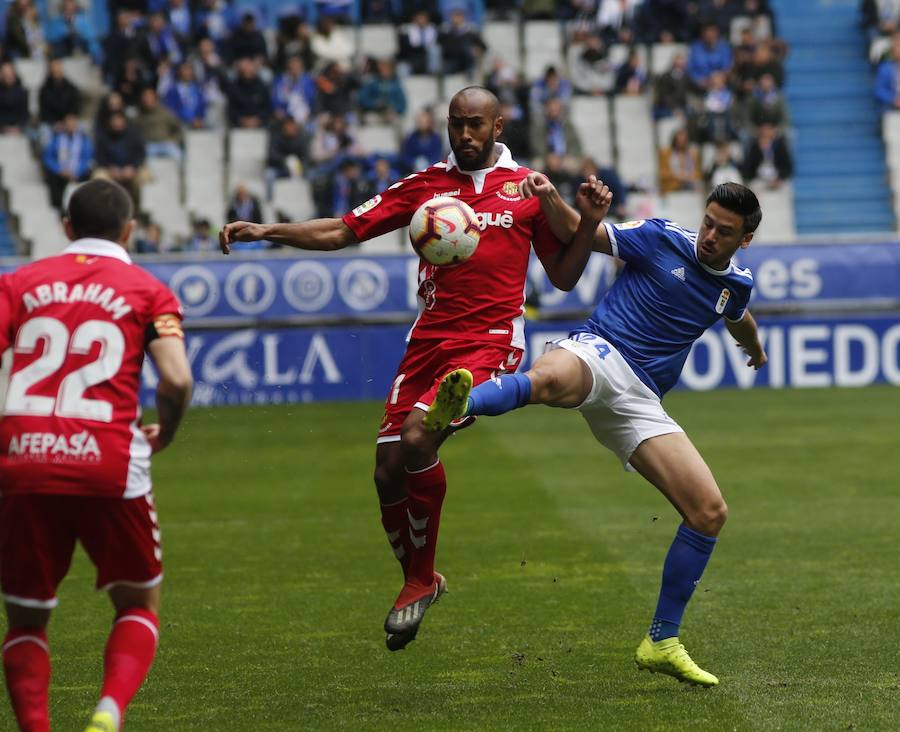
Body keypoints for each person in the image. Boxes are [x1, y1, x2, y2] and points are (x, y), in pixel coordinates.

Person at [220, 86, 601, 650]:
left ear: (498, 127)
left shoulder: (527, 189)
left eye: (476, 124)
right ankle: (421, 580)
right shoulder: (424, 186)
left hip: (490, 342)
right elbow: (344, 230)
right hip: (427, 342)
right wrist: (265, 232)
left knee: (419, 438)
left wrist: (588, 223)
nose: (464, 134)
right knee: (386, 472)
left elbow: (564, 276)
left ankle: (418, 581)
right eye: (456, 123)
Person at [424, 180, 767, 687]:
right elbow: (578, 232)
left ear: (745, 240)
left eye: (724, 231)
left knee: (709, 512)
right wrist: (553, 198)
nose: (710, 236)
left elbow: (737, 315)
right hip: (601, 350)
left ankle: (661, 641)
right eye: (708, 223)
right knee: (548, 380)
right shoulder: (660, 237)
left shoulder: (736, 283)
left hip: (641, 400)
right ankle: (458, 405)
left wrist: (755, 349)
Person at [0, 178, 192, 731]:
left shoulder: (17, 284)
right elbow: (177, 380)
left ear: (66, 227)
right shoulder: (147, 290)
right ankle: (108, 711)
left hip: (24, 460)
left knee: (26, 620)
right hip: (109, 462)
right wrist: (167, 432)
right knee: (137, 604)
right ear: (129, 230)